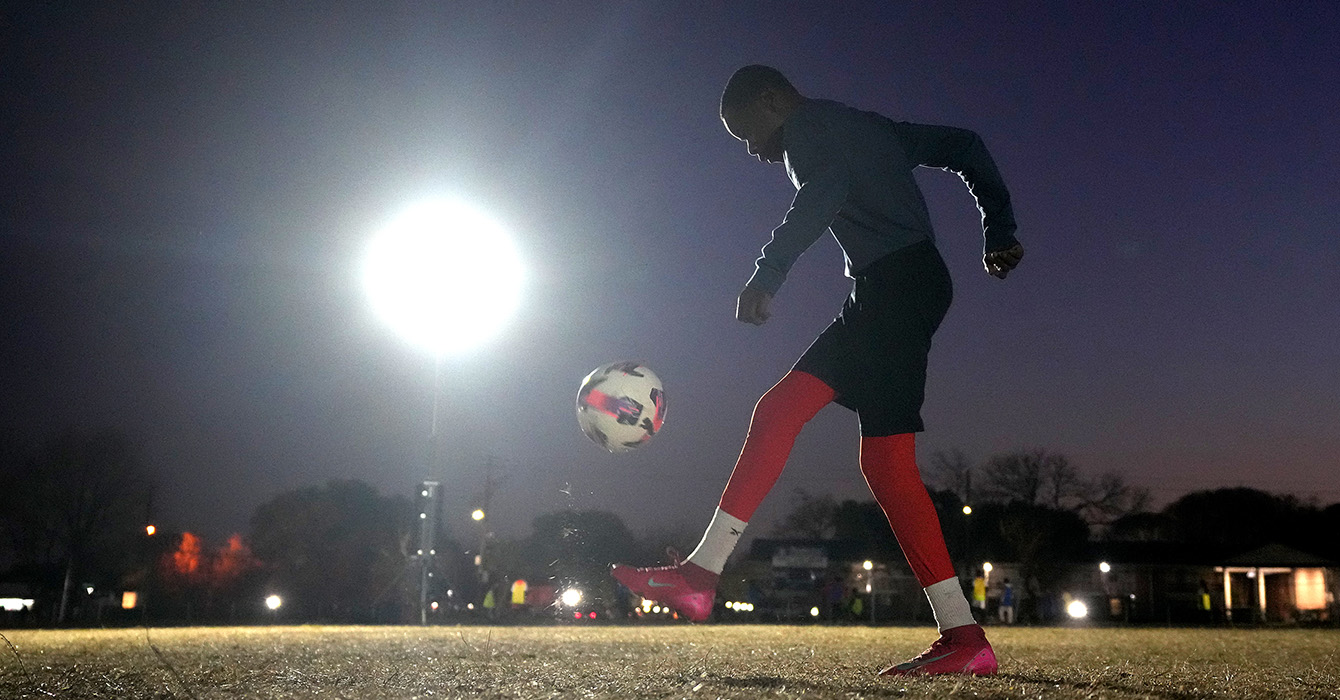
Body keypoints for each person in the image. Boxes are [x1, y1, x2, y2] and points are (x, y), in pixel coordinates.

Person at [612, 65, 1023, 677]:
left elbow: (822, 192)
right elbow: (965, 146)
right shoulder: (871, 127)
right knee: (815, 430)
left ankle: (964, 639)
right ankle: (961, 636)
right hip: (897, 286)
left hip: (897, 287)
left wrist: (768, 272)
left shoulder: (806, 132)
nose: (752, 151)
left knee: (852, 447)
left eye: (745, 133)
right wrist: (1000, 229)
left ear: (774, 100)